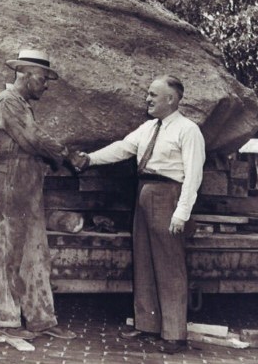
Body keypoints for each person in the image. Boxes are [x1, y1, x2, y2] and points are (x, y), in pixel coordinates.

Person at [74, 75, 205, 354]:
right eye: (149, 94)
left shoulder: (188, 130)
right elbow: (122, 148)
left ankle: (174, 334)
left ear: (171, 99)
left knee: (169, 266)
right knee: (144, 261)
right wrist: (89, 159)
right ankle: (147, 325)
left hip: (168, 195)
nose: (148, 98)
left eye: (153, 95)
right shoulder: (148, 128)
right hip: (144, 192)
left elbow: (193, 176)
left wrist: (181, 213)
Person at [0, 49, 78, 341]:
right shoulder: (7, 102)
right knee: (6, 252)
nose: (45, 84)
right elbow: (33, 138)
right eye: (42, 78)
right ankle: (4, 318)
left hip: (27, 181)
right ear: (24, 75)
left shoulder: (20, 103)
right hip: (9, 181)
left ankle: (41, 318)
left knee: (36, 252)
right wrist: (66, 154)